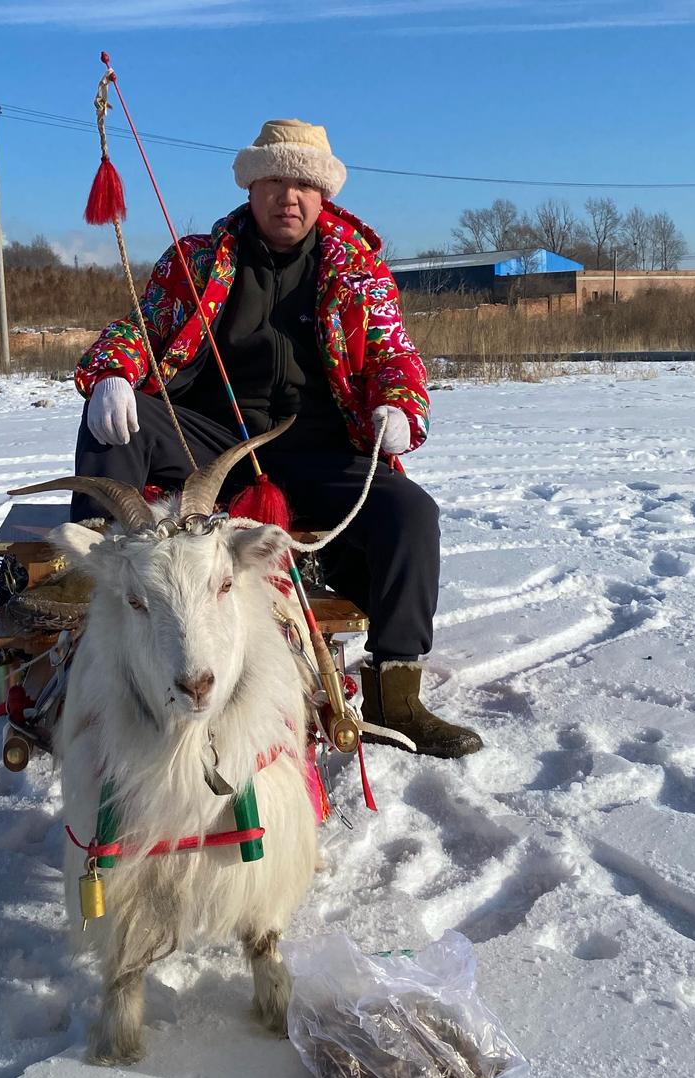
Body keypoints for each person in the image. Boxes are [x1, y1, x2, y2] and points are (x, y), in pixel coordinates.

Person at [69, 119, 482, 759]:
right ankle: (99, 611)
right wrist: (112, 374)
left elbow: (395, 358)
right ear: (251, 187)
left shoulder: (361, 272)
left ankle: (396, 695)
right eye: (273, 182)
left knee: (410, 515)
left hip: (319, 446)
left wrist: (400, 405)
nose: (287, 196)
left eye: (302, 184)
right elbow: (139, 327)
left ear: (323, 195)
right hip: (210, 442)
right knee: (118, 419)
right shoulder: (195, 261)